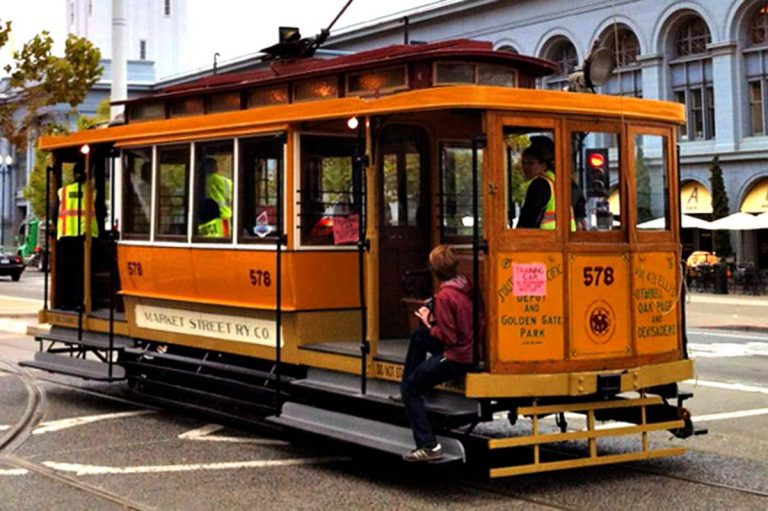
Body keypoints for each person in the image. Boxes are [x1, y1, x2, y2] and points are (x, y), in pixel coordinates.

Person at [399, 244, 482, 462]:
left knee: (410, 388)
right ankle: (409, 379)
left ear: (435, 271)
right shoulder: (464, 286)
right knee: (418, 337)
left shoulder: (445, 297)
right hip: (470, 348)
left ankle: (429, 445)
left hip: (457, 356)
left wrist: (428, 322)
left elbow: (448, 337)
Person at [55, 163, 98, 310]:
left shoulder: (63, 191)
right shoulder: (91, 192)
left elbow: (55, 214)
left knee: (66, 272)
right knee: (83, 272)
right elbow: (99, 211)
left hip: (66, 236)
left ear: (73, 174)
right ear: (86, 174)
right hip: (86, 237)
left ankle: (66, 302)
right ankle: (81, 302)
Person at [529, 135, 586, 230]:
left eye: (530, 162)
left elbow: (528, 220)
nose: (525, 167)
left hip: (546, 239)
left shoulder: (541, 183)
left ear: (543, 164)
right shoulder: (563, 180)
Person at [517, 144, 557, 229]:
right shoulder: (554, 181)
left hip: (543, 237)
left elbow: (528, 218)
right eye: (523, 163)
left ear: (543, 166)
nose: (525, 167)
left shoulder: (539, 184)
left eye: (530, 163)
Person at [203, 157, 233, 237]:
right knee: (225, 239)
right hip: (225, 216)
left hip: (207, 217)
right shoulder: (226, 181)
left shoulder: (202, 180)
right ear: (216, 167)